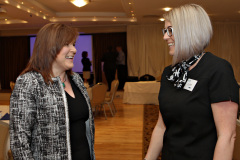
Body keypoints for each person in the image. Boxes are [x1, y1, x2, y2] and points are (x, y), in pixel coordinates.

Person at [144, 4, 239, 160]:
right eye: (165, 31)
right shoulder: (170, 72)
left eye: (170, 30)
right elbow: (161, 126)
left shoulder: (218, 70)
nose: (165, 37)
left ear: (188, 31)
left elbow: (227, 136)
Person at [10, 23, 95, 160]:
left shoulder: (76, 79)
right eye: (67, 44)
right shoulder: (29, 82)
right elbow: (19, 143)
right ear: (49, 47)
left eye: (74, 44)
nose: (74, 49)